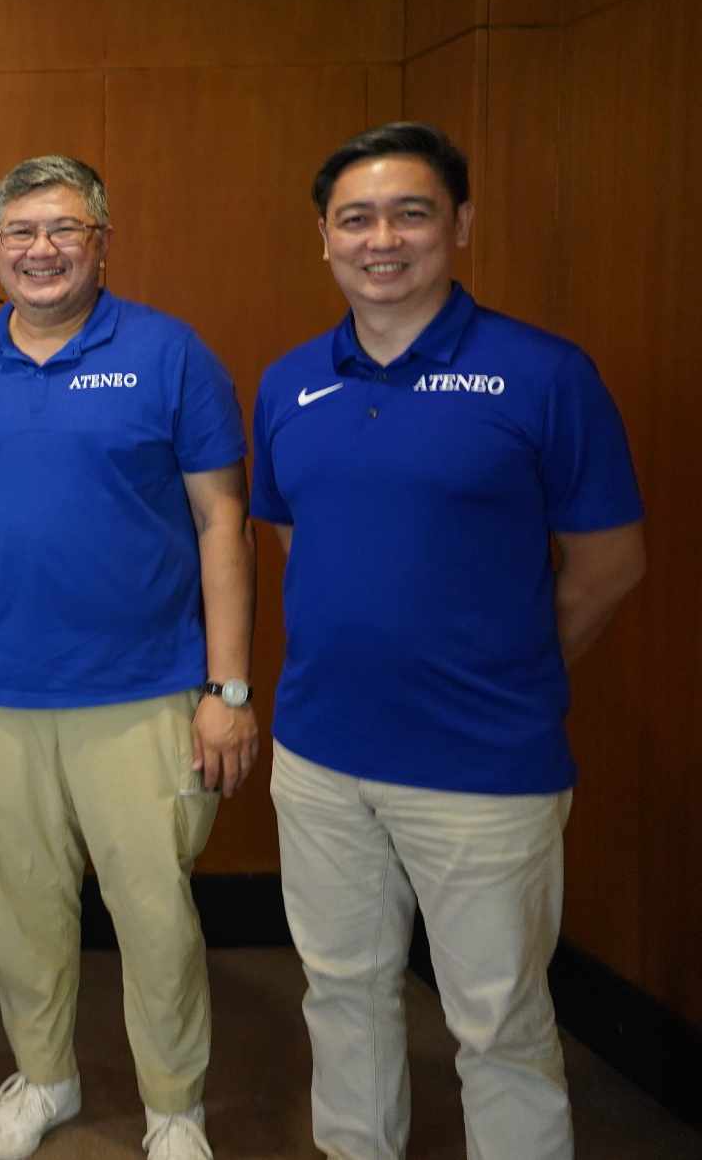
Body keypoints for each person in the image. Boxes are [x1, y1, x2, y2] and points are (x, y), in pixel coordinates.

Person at [252, 121, 645, 1160]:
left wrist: (504, 666)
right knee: (339, 994)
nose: (381, 239)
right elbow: (297, 537)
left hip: (484, 769)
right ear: (322, 238)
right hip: (321, 761)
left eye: (409, 213)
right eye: (355, 218)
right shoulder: (289, 382)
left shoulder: (542, 376)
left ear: (457, 225)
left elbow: (607, 564)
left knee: (498, 1026)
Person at [0, 155, 255, 1160]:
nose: (40, 249)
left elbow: (220, 521)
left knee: (155, 919)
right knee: (19, 909)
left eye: (63, 228)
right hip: (5, 694)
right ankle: (45, 1078)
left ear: (101, 240)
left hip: (146, 693)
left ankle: (172, 1106)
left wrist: (225, 688)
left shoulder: (168, 353)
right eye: (21, 231)